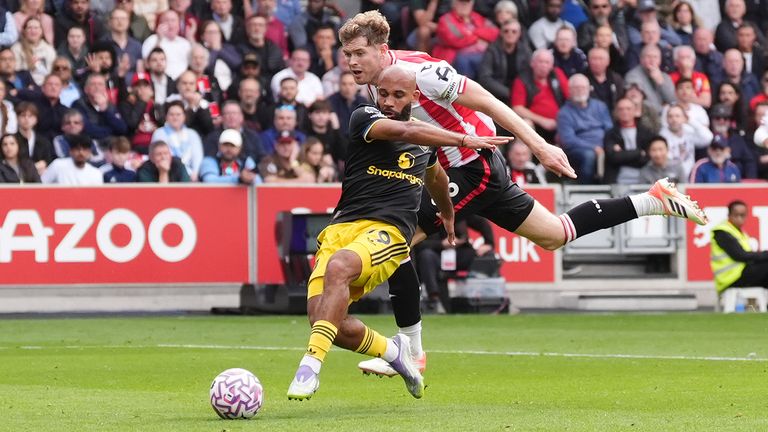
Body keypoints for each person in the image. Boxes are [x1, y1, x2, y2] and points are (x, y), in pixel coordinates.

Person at [338, 11, 708, 380]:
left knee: (396, 240)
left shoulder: (420, 73)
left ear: (382, 49)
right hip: (461, 170)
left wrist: (540, 146)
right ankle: (653, 200)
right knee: (554, 234)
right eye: (347, 54)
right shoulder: (375, 81)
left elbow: (489, 102)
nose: (352, 62)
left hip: (471, 167)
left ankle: (410, 350)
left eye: (358, 53)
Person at [285, 64, 508, 401]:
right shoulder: (364, 116)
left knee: (340, 267)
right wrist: (463, 139)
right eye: (383, 93)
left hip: (387, 233)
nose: (388, 101)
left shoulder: (426, 139)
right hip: (341, 229)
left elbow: (438, 180)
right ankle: (393, 352)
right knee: (326, 321)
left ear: (415, 97)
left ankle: (310, 365)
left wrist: (447, 214)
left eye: (398, 95)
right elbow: (408, 134)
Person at [556, 73, 612, 183]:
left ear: (589, 89)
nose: (580, 90)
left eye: (583, 87)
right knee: (588, 156)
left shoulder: (600, 106)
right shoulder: (564, 113)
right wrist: (593, 147)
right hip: (578, 150)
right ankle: (586, 189)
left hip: (603, 146)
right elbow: (568, 140)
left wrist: (607, 145)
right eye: (576, 88)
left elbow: (610, 129)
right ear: (569, 90)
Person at [710, 200, 768, 297]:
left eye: (743, 215)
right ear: (729, 215)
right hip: (730, 279)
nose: (740, 218)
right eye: (736, 215)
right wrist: (765, 254)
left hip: (740, 274)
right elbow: (740, 256)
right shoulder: (721, 232)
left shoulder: (739, 232)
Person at [476, 19, 530, 105]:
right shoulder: (492, 50)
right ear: (501, 33)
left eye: (514, 31)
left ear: (519, 34)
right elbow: (485, 79)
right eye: (506, 31)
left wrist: (519, 94)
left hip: (519, 95)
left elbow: (529, 76)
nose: (510, 34)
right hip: (496, 97)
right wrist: (508, 93)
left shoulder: (525, 51)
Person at [604, 98, 653, 184]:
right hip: (618, 178)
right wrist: (638, 153)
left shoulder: (646, 132)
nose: (625, 112)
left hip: (644, 176)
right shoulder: (610, 134)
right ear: (616, 112)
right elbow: (614, 158)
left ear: (635, 111)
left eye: (628, 109)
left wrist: (623, 154)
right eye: (621, 109)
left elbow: (648, 157)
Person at [150, 100, 203, 180]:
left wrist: (195, 172)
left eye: (178, 114)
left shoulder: (192, 134)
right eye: (171, 114)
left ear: (184, 116)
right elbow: (158, 155)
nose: (175, 117)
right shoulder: (159, 133)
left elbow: (198, 156)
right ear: (166, 117)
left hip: (191, 175)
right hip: (169, 173)